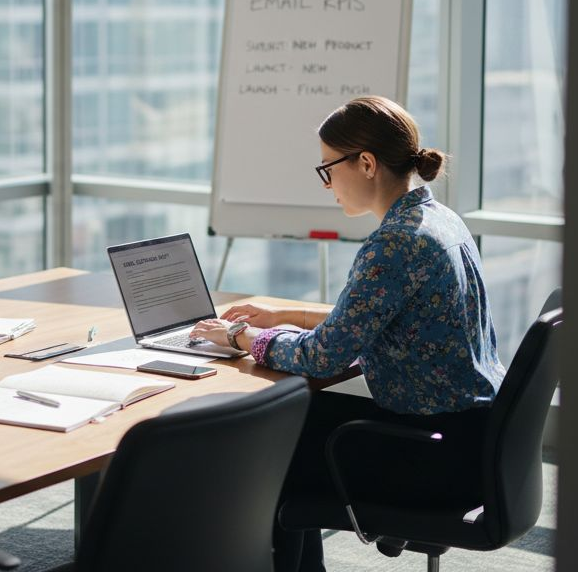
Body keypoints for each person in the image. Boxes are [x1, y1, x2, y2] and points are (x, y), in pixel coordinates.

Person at [190, 95, 506, 572]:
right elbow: (368, 317)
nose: (326, 184)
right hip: (467, 435)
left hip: (433, 455)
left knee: (266, 446)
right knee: (296, 417)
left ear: (365, 163)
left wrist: (237, 338)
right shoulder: (436, 219)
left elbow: (323, 358)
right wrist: (283, 315)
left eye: (327, 169)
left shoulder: (396, 243)